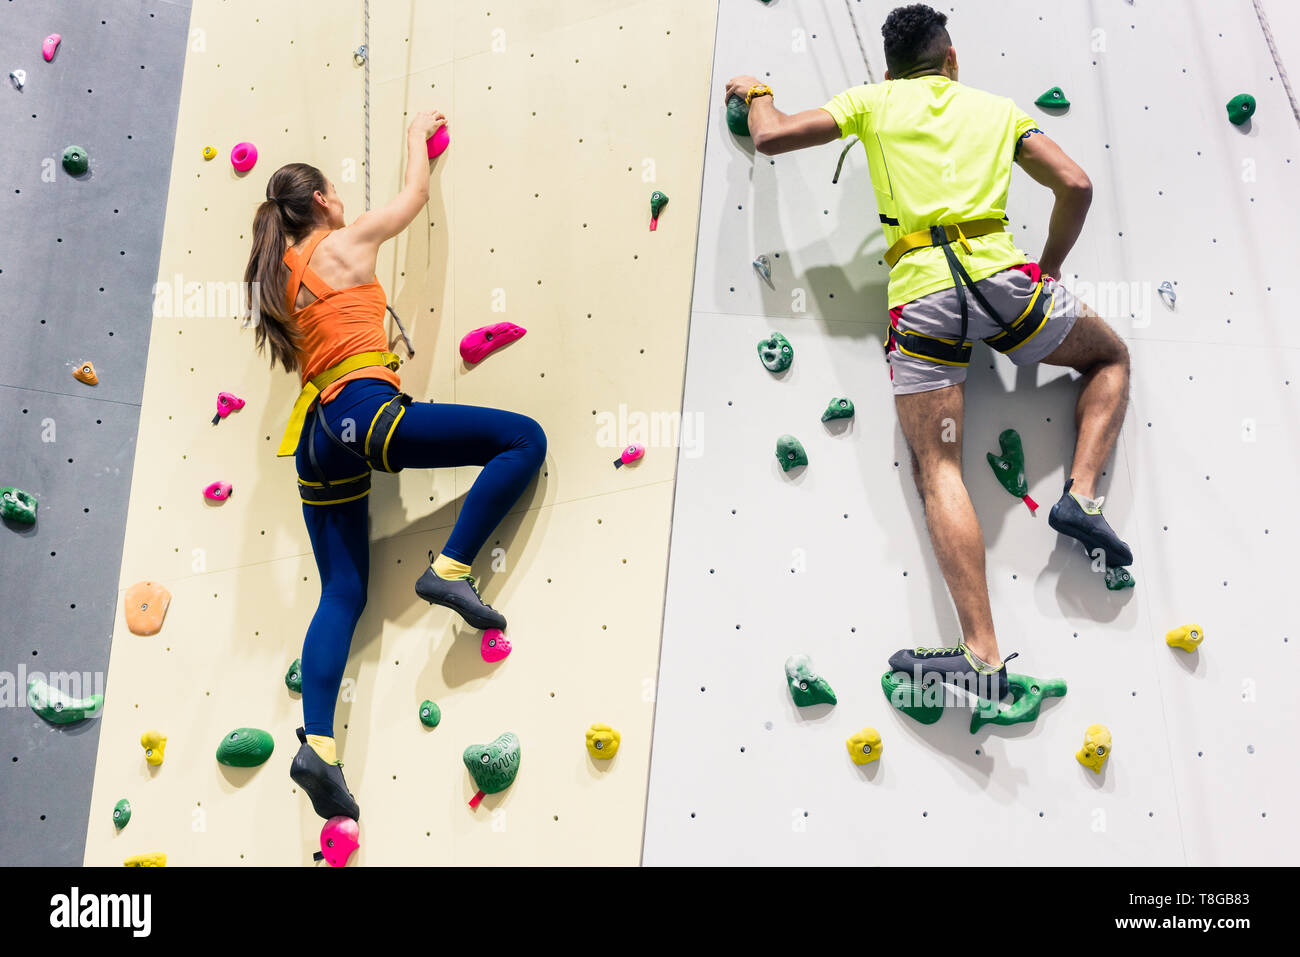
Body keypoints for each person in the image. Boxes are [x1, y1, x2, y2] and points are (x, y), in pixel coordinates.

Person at [726, 4, 1131, 701]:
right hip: (1007, 282)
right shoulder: (996, 111)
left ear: (889, 70)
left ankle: (982, 655)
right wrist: (1051, 267)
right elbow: (1077, 183)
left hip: (924, 299)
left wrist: (754, 91)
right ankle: (1083, 498)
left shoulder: (871, 101)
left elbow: (773, 139)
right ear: (952, 58)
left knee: (937, 463)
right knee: (1110, 358)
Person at [242, 110, 547, 820]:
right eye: (334, 192)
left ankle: (320, 744)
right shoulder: (342, 242)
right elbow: (411, 201)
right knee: (524, 439)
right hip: (362, 412)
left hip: (317, 438)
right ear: (319, 201)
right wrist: (417, 141)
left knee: (342, 592)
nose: (342, 200)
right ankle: (449, 569)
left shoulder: (278, 280)